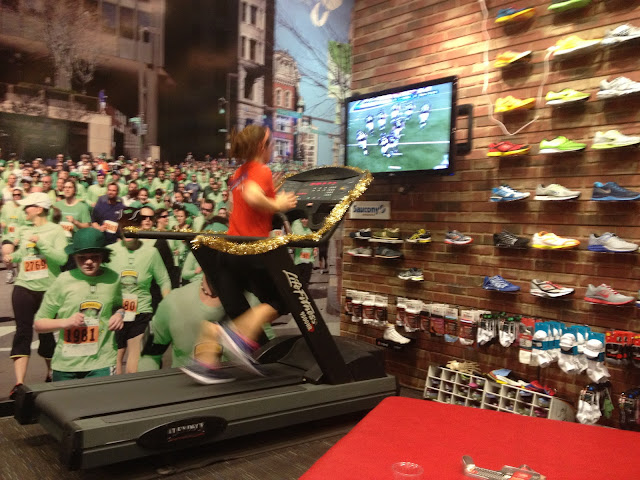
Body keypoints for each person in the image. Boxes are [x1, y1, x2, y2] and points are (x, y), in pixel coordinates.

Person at [182, 125, 297, 384]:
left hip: (230, 252)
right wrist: (277, 203)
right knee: (283, 299)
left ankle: (206, 357)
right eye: (271, 143)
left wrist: (272, 193)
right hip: (251, 251)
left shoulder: (239, 172)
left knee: (237, 308)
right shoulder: (261, 170)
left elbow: (245, 202)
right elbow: (253, 197)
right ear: (261, 146)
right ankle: (238, 338)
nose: (273, 147)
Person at [33, 228, 125, 381]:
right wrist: (66, 322)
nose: (88, 262)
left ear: (103, 256)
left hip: (102, 363)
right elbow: (39, 324)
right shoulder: (63, 280)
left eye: (94, 257)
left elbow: (118, 305)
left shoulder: (113, 279)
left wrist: (119, 314)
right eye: (82, 257)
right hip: (66, 366)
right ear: (74, 257)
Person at [4, 192, 68, 398]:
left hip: (48, 290)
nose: (25, 210)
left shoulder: (56, 230)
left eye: (28, 206)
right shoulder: (25, 229)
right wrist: (11, 257)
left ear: (39, 209)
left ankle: (51, 374)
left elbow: (62, 258)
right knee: (22, 332)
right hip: (24, 286)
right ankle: (19, 383)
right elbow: (23, 254)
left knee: (46, 335)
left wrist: (41, 243)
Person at [138, 276, 273, 371]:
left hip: (237, 394)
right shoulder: (174, 301)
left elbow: (269, 354)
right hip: (185, 393)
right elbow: (150, 355)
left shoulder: (253, 305)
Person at [107, 208, 171, 373]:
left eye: (132, 225)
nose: (128, 230)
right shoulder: (110, 251)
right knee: (115, 357)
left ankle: (132, 386)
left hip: (141, 310)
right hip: (114, 311)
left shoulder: (151, 252)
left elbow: (164, 280)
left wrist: (167, 306)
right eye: (124, 226)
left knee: (135, 357)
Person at [1, 188, 25, 283]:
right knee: (6, 253)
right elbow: (2, 218)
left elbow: (26, 223)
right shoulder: (6, 207)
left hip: (21, 235)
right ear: (12, 196)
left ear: (21, 196)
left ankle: (20, 275)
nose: (16, 196)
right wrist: (2, 223)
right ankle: (10, 270)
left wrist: (19, 237)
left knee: (20, 260)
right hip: (8, 235)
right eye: (14, 195)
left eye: (18, 194)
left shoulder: (24, 207)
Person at [291, 215, 316, 289]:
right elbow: (293, 244)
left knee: (306, 281)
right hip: (299, 261)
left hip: (309, 260)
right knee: (299, 281)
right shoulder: (297, 228)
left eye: (306, 219)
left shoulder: (308, 230)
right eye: (302, 219)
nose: (304, 221)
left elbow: (313, 241)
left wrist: (315, 249)